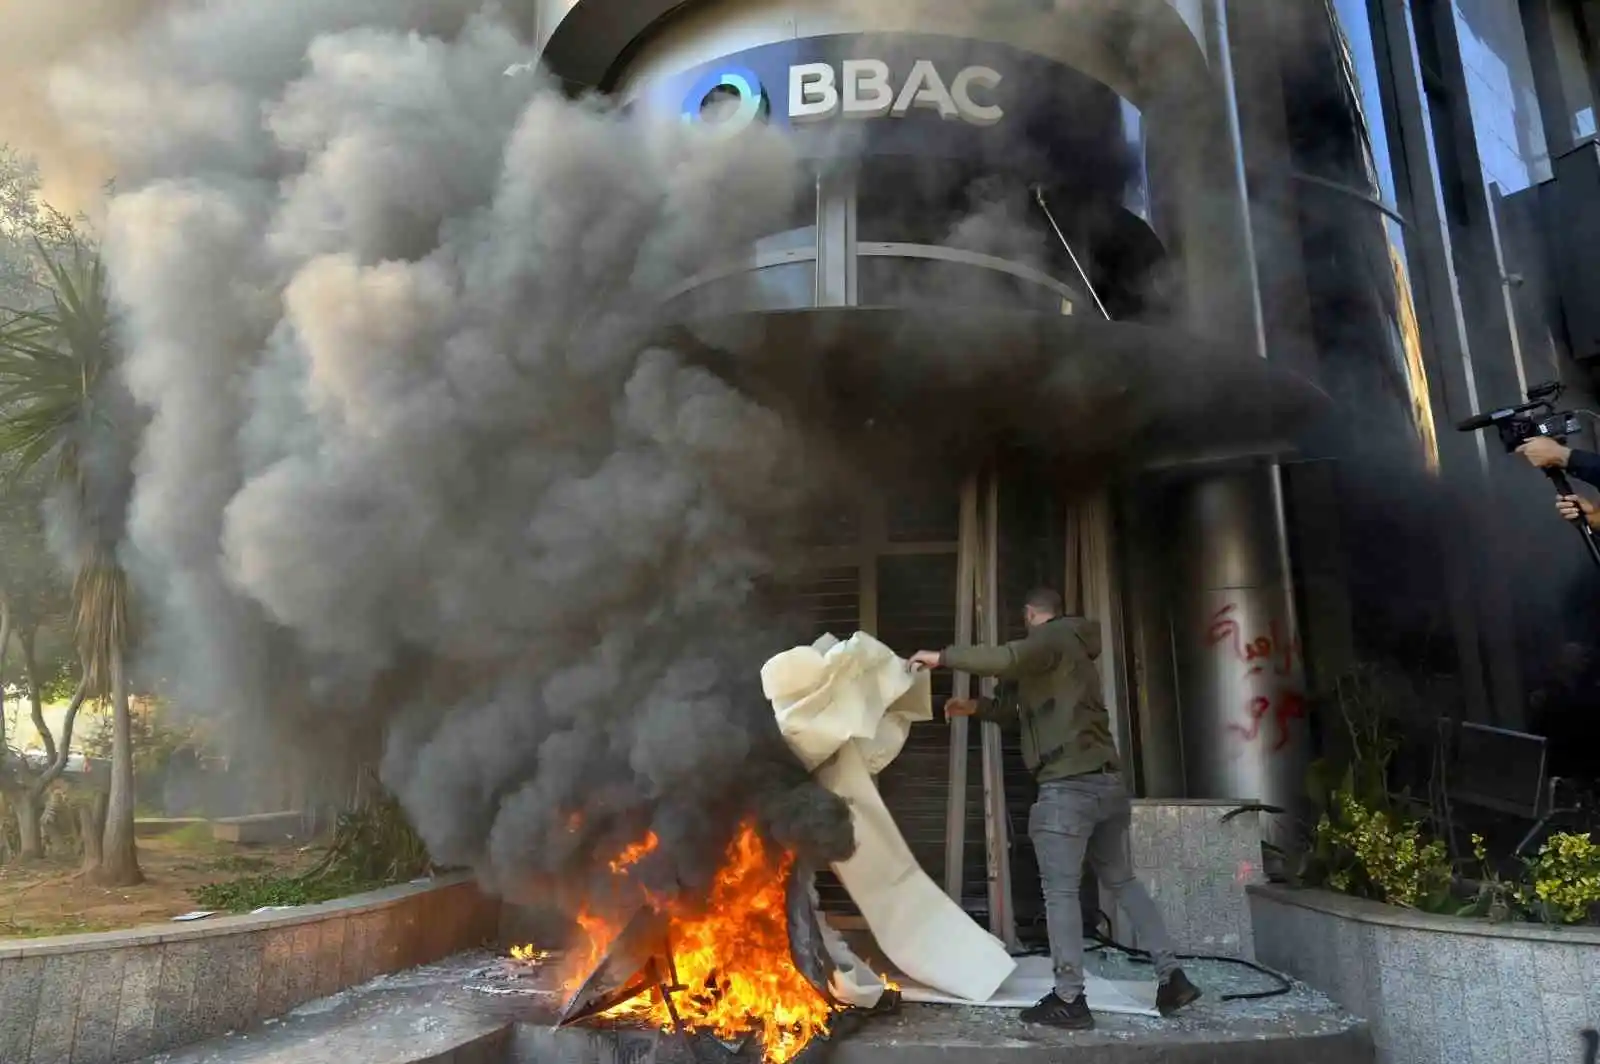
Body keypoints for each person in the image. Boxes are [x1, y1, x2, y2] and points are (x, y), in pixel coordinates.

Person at [907, 587, 1200, 1030]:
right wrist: (974, 707)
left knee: (1060, 894)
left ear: (1030, 615)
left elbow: (1004, 659)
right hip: (1105, 784)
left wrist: (941, 657)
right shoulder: (1070, 653)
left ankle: (1069, 999)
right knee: (1123, 881)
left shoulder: (1051, 639)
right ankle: (1172, 977)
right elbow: (1021, 711)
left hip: (1069, 789)